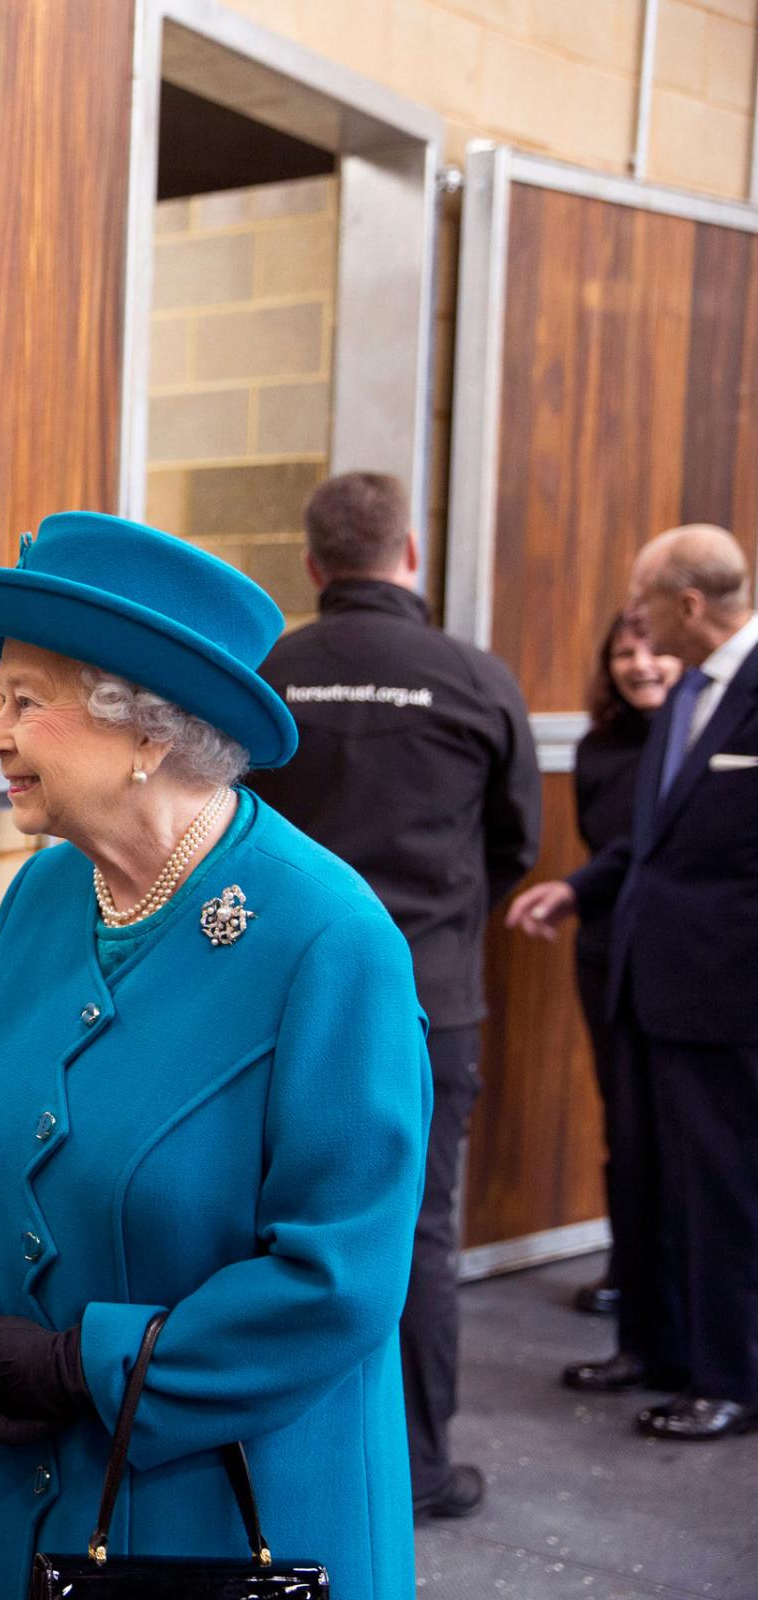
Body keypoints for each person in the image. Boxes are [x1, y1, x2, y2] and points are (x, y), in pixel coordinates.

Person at [0, 512, 429, 1600]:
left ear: (148, 732)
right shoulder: (48, 895)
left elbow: (336, 1281)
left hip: (229, 1519)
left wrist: (87, 1364)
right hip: (24, 1493)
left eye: (25, 701)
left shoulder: (329, 940)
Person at [243, 470, 539, 1521]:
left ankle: (271, 1456)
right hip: (426, 997)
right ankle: (413, 1468)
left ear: (315, 564)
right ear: (408, 553)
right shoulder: (473, 676)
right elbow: (516, 843)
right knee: (414, 1230)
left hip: (270, 998)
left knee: (270, 1221)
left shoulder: (265, 674)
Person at [509, 524, 758, 1441]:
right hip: (643, 985)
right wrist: (577, 889)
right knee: (646, 1174)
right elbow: (654, 841)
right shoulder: (689, 692)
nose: (636, 618)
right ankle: (652, 1348)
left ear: (687, 607)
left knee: (724, 1189)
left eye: (645, 600)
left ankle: (731, 1375)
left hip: (728, 1001)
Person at [567, 612, 682, 1318]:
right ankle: (631, 1270)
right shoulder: (596, 747)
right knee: (625, 1124)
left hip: (687, 961)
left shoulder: (703, 745)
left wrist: (573, 889)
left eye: (656, 649)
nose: (640, 664)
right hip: (608, 951)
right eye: (624, 652)